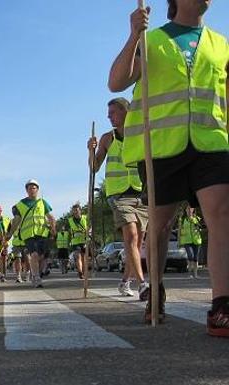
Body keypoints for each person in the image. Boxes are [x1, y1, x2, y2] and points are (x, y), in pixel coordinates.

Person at [109, 0, 229, 334]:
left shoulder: (221, 44)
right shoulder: (151, 39)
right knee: (159, 227)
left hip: (212, 142)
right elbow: (116, 82)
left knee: (221, 216)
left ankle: (222, 306)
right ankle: (156, 291)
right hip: (162, 146)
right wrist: (133, 35)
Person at [88, 98, 149, 299]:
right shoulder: (108, 138)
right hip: (118, 195)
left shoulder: (140, 135)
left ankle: (125, 281)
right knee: (131, 237)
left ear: (126, 112)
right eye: (109, 112)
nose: (109, 116)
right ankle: (142, 284)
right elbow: (94, 167)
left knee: (138, 243)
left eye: (113, 112)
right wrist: (90, 151)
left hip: (140, 193)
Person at [5, 180, 56, 288]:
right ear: (26, 190)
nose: (31, 190)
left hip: (42, 233)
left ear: (37, 189)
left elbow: (51, 217)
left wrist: (53, 229)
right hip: (28, 235)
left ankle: (36, 274)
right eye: (29, 188)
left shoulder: (42, 202)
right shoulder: (21, 204)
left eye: (34, 188)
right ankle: (36, 277)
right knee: (34, 254)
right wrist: (10, 233)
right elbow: (16, 220)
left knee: (41, 257)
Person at [178, 205, 203, 279]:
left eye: (190, 208)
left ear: (193, 210)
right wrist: (178, 242)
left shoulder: (196, 218)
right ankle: (189, 274)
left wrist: (198, 228)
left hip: (196, 240)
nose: (189, 210)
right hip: (186, 240)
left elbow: (201, 228)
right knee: (190, 255)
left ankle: (195, 274)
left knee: (195, 257)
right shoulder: (182, 219)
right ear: (185, 210)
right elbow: (179, 230)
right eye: (187, 208)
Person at [67, 204, 88, 280]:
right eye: (74, 211)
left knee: (84, 258)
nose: (75, 212)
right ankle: (80, 272)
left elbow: (90, 227)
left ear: (80, 210)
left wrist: (88, 231)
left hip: (84, 241)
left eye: (77, 210)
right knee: (77, 256)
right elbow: (68, 231)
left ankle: (84, 271)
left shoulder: (85, 218)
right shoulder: (70, 220)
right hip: (75, 242)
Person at [0, 205, 11, 282]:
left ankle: (3, 275)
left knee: (4, 259)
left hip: (5, 241)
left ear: (1, 211)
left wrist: (7, 238)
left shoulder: (6, 219)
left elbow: (10, 229)